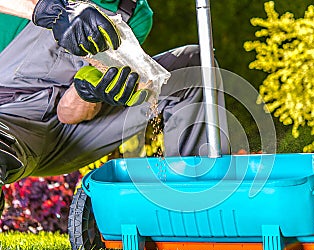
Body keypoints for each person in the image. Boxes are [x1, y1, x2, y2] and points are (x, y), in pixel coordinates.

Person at [0, 0, 229, 215]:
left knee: (193, 64)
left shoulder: (134, 13)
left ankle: (193, 201)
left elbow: (68, 112)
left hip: (65, 133)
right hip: (6, 116)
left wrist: (87, 92)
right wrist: (48, 10)